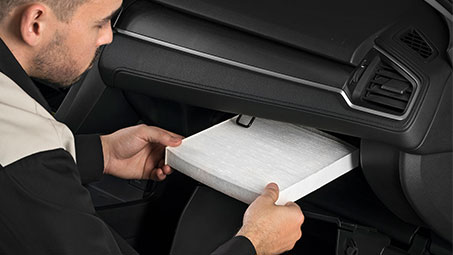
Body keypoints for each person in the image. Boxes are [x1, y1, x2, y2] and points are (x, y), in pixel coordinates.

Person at [0, 0, 304, 254]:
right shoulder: (25, 169)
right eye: (100, 22)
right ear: (35, 23)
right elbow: (22, 171)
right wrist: (253, 244)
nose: (107, 37)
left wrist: (99, 153)